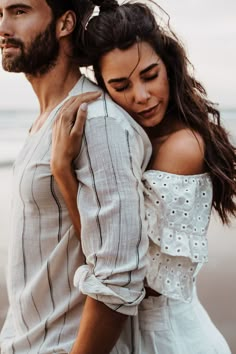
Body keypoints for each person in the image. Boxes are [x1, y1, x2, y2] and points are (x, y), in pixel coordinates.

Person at [51, 0, 236, 353]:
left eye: (150, 75)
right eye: (120, 86)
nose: (142, 96)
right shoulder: (137, 138)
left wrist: (63, 174)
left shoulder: (183, 146)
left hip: (172, 342)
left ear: (168, 64)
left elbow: (134, 274)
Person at [0, 1, 153, 353]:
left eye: (19, 11)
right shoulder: (50, 119)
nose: (4, 27)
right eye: (0, 13)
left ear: (65, 22)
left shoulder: (98, 123)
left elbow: (118, 279)